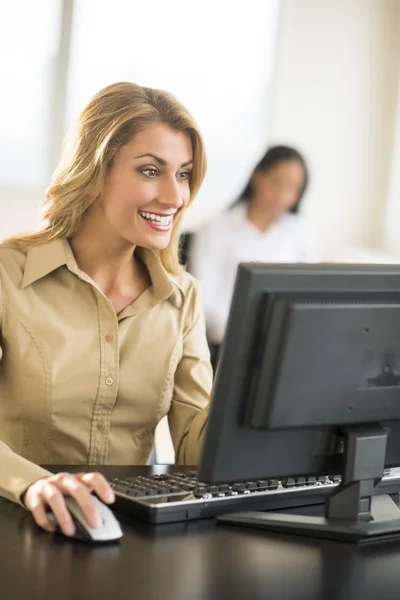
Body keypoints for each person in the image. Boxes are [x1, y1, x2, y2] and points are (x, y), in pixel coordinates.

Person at [0, 82, 213, 537]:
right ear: (96, 170)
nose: (175, 197)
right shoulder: (7, 275)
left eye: (183, 174)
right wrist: (33, 483)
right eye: (151, 171)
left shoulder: (183, 297)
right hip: (18, 514)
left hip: (125, 529)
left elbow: (196, 445)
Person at [189, 145, 316, 366]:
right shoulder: (216, 227)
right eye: (277, 182)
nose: (283, 195)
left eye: (294, 188)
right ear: (258, 176)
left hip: (282, 346)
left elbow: (310, 292)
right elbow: (203, 297)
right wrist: (243, 335)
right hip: (225, 346)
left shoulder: (299, 231)